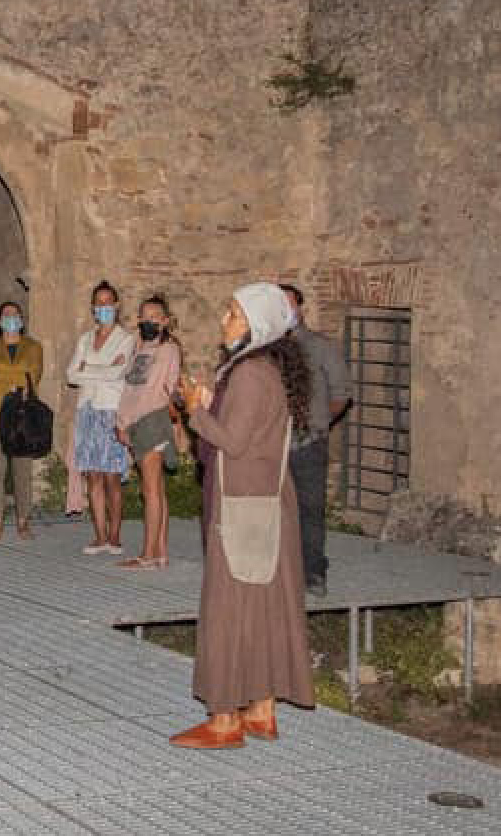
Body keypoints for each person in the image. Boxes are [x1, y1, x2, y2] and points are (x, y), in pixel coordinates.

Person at [171, 282, 315, 748]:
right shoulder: (264, 368)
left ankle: (224, 720)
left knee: (229, 607)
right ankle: (261, 709)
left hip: (243, 506)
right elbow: (249, 431)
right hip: (264, 502)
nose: (224, 320)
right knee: (264, 607)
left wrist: (195, 410)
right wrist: (212, 405)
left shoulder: (252, 373)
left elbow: (231, 442)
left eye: (233, 313)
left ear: (257, 323)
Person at [281, 284, 351, 598]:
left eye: (289, 304)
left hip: (308, 442)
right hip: (274, 443)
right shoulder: (267, 351)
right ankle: (282, 573)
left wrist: (319, 423)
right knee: (277, 509)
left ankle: (313, 572)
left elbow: (341, 394)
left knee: (310, 508)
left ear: (300, 308)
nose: (285, 311)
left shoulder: (320, 347)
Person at [67, 281, 135, 555]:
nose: (103, 307)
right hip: (87, 410)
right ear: (93, 308)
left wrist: (90, 368)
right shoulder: (85, 339)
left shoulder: (126, 339)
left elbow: (118, 374)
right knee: (92, 476)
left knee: (112, 478)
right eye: (99, 303)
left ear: (116, 305)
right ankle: (100, 535)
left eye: (108, 302)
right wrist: (103, 368)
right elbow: (71, 374)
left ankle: (115, 536)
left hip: (110, 411)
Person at [115, 296, 182, 569]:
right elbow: (130, 388)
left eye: (155, 316)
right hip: (134, 422)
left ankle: (148, 554)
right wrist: (121, 422)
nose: (149, 320)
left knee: (151, 489)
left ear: (165, 320)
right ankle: (160, 552)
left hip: (152, 420)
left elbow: (162, 390)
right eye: (144, 316)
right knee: (155, 489)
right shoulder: (137, 347)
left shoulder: (168, 349)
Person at [0, 300, 44, 540]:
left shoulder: (34, 347)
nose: (11, 318)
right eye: (6, 315)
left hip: (22, 418)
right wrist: (12, 382)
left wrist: (0, 376)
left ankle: (23, 522)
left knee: (22, 472)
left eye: (15, 315)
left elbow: (32, 379)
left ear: (22, 321)